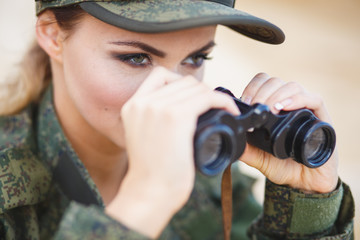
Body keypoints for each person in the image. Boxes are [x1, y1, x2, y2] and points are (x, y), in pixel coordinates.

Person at [0, 0, 354, 239]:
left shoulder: (207, 174)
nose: (173, 90)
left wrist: (307, 207)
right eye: (136, 58)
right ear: (52, 35)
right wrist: (144, 200)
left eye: (196, 59)